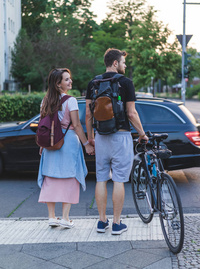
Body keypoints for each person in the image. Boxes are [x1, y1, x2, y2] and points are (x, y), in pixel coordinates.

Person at [85, 48, 148, 235]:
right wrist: (142, 133)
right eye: (123, 62)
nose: (125, 65)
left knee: (101, 179)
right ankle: (117, 223)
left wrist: (90, 138)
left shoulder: (93, 83)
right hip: (121, 137)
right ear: (115, 63)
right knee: (119, 180)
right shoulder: (126, 83)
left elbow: (88, 114)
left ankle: (101, 222)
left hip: (101, 136)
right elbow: (131, 113)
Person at [38, 68, 94, 228]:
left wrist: (43, 145)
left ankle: (51, 217)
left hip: (50, 142)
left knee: (50, 178)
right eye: (67, 79)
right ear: (58, 84)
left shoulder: (45, 101)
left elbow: (43, 125)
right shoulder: (71, 101)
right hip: (68, 141)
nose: (71, 81)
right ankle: (65, 218)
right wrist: (86, 144)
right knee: (70, 177)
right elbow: (76, 125)